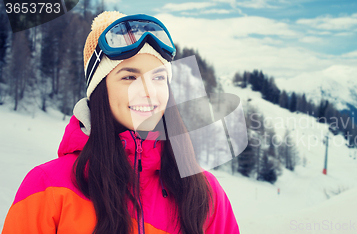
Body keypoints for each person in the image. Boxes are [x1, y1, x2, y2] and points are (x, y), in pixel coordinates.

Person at [2, 11, 239, 234]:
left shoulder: (205, 193)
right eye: (129, 77)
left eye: (158, 77)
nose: (148, 91)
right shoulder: (47, 187)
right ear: (100, 89)